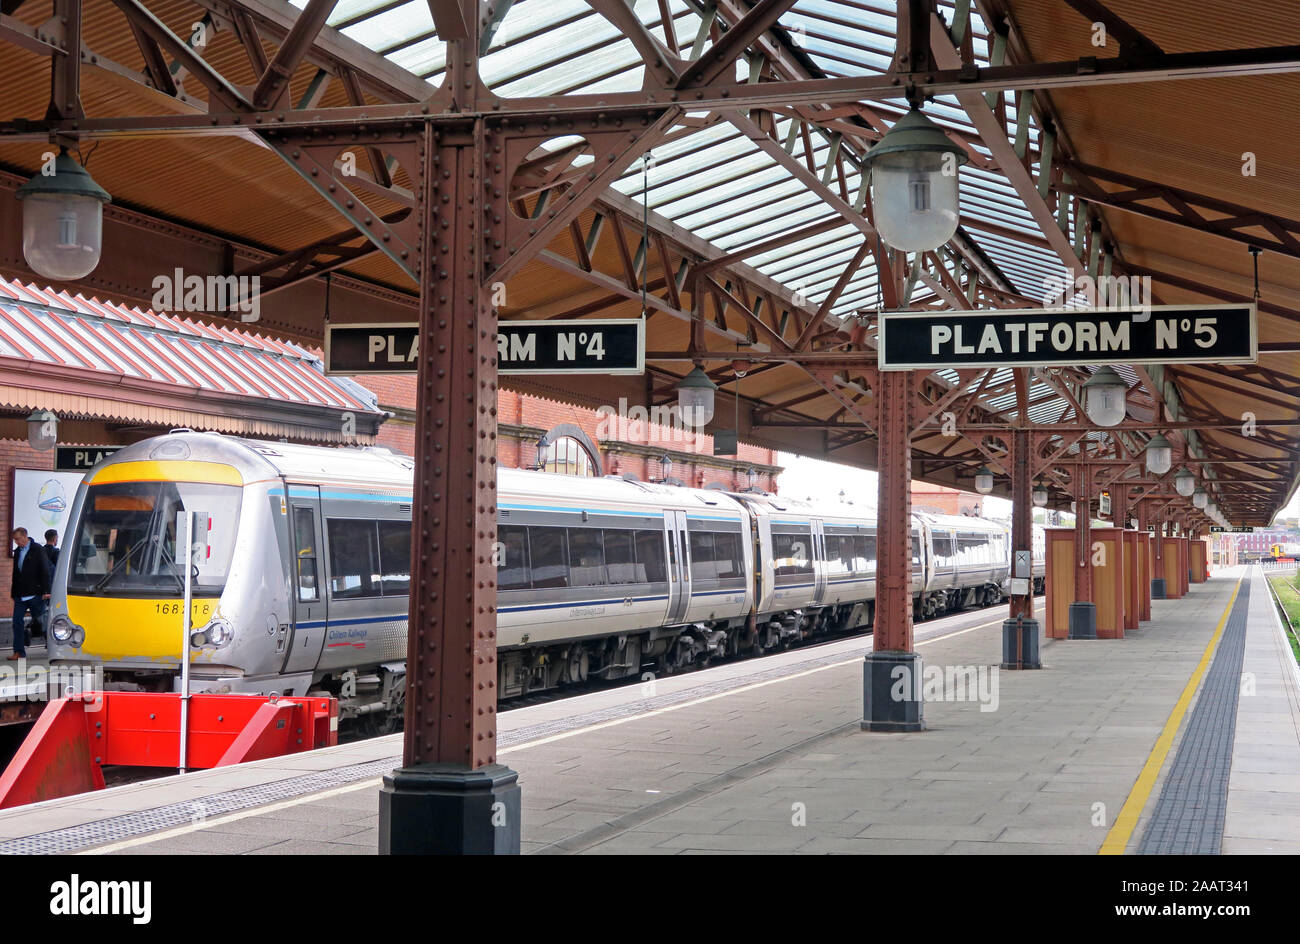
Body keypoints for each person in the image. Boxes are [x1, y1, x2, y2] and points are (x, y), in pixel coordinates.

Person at [10, 527, 51, 661]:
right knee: (17, 621)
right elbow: (16, 574)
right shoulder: (18, 552)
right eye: (15, 540)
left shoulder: (38, 549)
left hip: (35, 594)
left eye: (18, 539)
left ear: (25, 536)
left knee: (42, 623)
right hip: (20, 595)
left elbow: (45, 570)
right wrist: (13, 592)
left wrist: (46, 591)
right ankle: (19, 652)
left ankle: (53, 647)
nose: (17, 542)